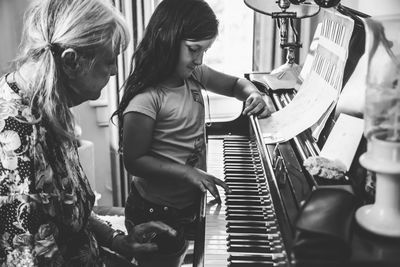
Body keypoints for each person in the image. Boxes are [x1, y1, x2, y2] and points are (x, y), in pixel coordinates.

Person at [0, 0, 177, 266]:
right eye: (109, 61)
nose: (116, 70)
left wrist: (119, 242)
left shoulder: (49, 102)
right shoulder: (17, 143)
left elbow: (69, 213)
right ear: (71, 61)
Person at [112, 0, 271, 266]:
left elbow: (235, 85)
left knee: (187, 256)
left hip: (187, 202)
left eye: (204, 51)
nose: (198, 59)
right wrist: (189, 172)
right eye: (193, 49)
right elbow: (134, 161)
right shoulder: (146, 99)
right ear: (166, 38)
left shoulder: (194, 74)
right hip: (156, 209)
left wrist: (253, 93)